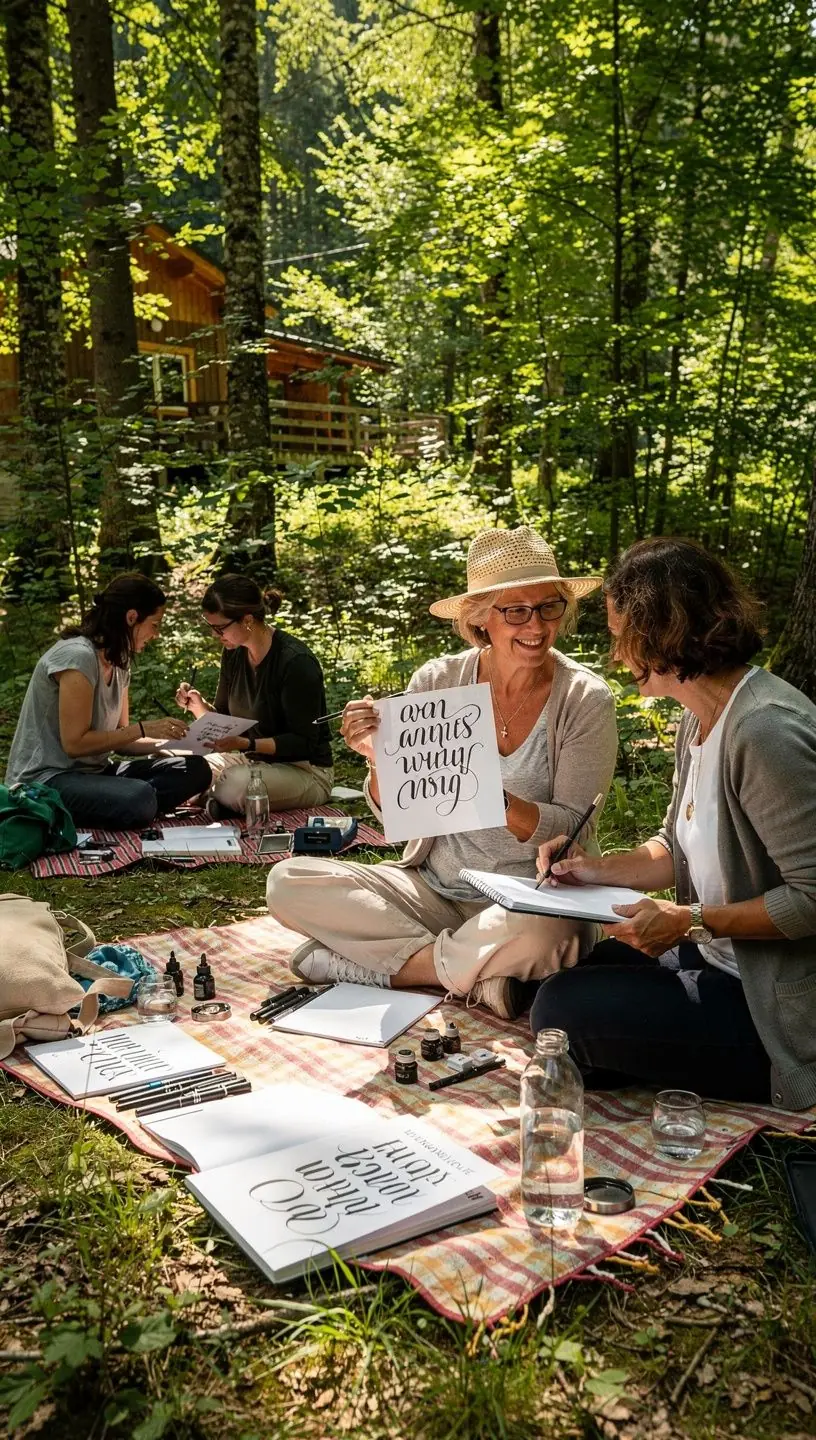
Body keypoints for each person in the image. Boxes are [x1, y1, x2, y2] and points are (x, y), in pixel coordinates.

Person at [266, 526, 618, 1020]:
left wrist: (486, 792)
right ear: (481, 621)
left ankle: (373, 966)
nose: (535, 625)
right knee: (288, 880)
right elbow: (401, 815)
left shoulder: (585, 698)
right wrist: (377, 756)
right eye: (516, 610)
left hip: (534, 899)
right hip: (432, 889)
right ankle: (481, 978)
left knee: (555, 932)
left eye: (548, 606)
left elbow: (571, 828)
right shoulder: (436, 681)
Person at [532, 537, 816, 1111]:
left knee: (560, 1014)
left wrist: (692, 922)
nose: (615, 657)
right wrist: (591, 868)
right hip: (716, 960)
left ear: (661, 631)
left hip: (772, 1005)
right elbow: (674, 847)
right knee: (557, 973)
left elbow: (812, 898)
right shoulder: (700, 717)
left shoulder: (763, 732)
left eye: (619, 639)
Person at [4, 575, 210, 829]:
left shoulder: (119, 661)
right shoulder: (77, 657)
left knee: (195, 769)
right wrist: (143, 728)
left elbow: (120, 739)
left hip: (96, 773)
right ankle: (130, 804)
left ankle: (127, 805)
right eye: (155, 624)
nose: (156, 634)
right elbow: (75, 744)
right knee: (138, 796)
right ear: (132, 617)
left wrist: (174, 740)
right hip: (49, 778)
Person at [176, 574, 334, 815]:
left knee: (236, 785)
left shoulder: (295, 662)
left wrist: (247, 743)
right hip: (250, 761)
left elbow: (304, 741)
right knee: (181, 766)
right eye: (211, 628)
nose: (216, 636)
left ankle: (215, 798)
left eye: (220, 629)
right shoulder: (234, 653)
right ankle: (214, 799)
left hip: (303, 769)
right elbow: (226, 720)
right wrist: (198, 707)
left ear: (247, 620)